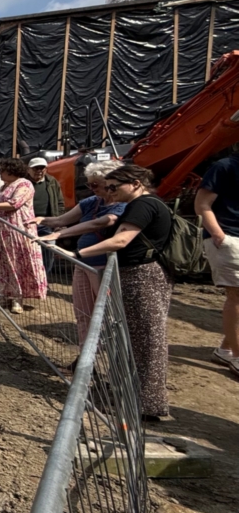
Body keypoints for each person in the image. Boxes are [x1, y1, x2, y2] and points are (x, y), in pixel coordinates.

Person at [78, 164, 174, 421]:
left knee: (146, 339)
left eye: (114, 187)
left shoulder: (143, 205)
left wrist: (78, 253)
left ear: (136, 183)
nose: (109, 192)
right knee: (135, 337)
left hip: (141, 276)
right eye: (107, 187)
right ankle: (131, 397)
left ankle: (146, 403)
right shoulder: (141, 204)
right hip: (137, 274)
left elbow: (121, 240)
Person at [38, 161, 126, 343]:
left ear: (109, 183)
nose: (91, 189)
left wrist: (60, 233)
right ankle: (85, 352)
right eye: (89, 184)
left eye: (95, 184)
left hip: (103, 266)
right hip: (83, 264)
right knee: (83, 311)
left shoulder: (123, 206)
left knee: (109, 312)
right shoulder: (91, 202)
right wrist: (40, 220)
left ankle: (113, 351)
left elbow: (101, 222)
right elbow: (61, 220)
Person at [0, 158, 47, 314]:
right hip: (0, 231)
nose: (0, 174)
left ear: (11, 171)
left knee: (15, 263)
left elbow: (15, 203)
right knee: (2, 264)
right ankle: (3, 295)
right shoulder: (4, 186)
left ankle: (17, 298)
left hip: (16, 230)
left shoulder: (24, 184)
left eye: (2, 171)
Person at [195, 152, 239, 374]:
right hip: (230, 237)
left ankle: (225, 350)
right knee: (237, 295)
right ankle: (237, 357)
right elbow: (202, 204)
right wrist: (219, 235)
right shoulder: (224, 166)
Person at [29, 157, 65, 274]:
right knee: (28, 250)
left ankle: (45, 276)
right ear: (29, 169)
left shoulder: (52, 181)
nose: (39, 171)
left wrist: (59, 221)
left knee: (48, 251)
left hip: (47, 221)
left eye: (42, 168)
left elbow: (60, 202)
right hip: (28, 222)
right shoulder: (23, 182)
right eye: (36, 168)